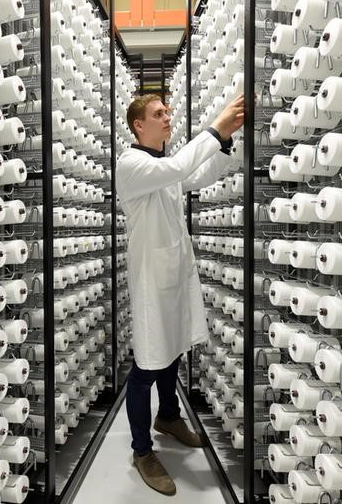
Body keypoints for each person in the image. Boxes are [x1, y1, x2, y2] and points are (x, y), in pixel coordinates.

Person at [115, 93, 246, 496]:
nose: (167, 118)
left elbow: (197, 176)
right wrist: (216, 127)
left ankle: (168, 416)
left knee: (172, 350)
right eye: (159, 114)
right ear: (139, 124)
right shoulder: (132, 164)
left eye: (168, 112)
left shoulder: (161, 170)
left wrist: (225, 143)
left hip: (172, 276)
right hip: (152, 280)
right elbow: (179, 166)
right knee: (148, 363)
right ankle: (141, 451)